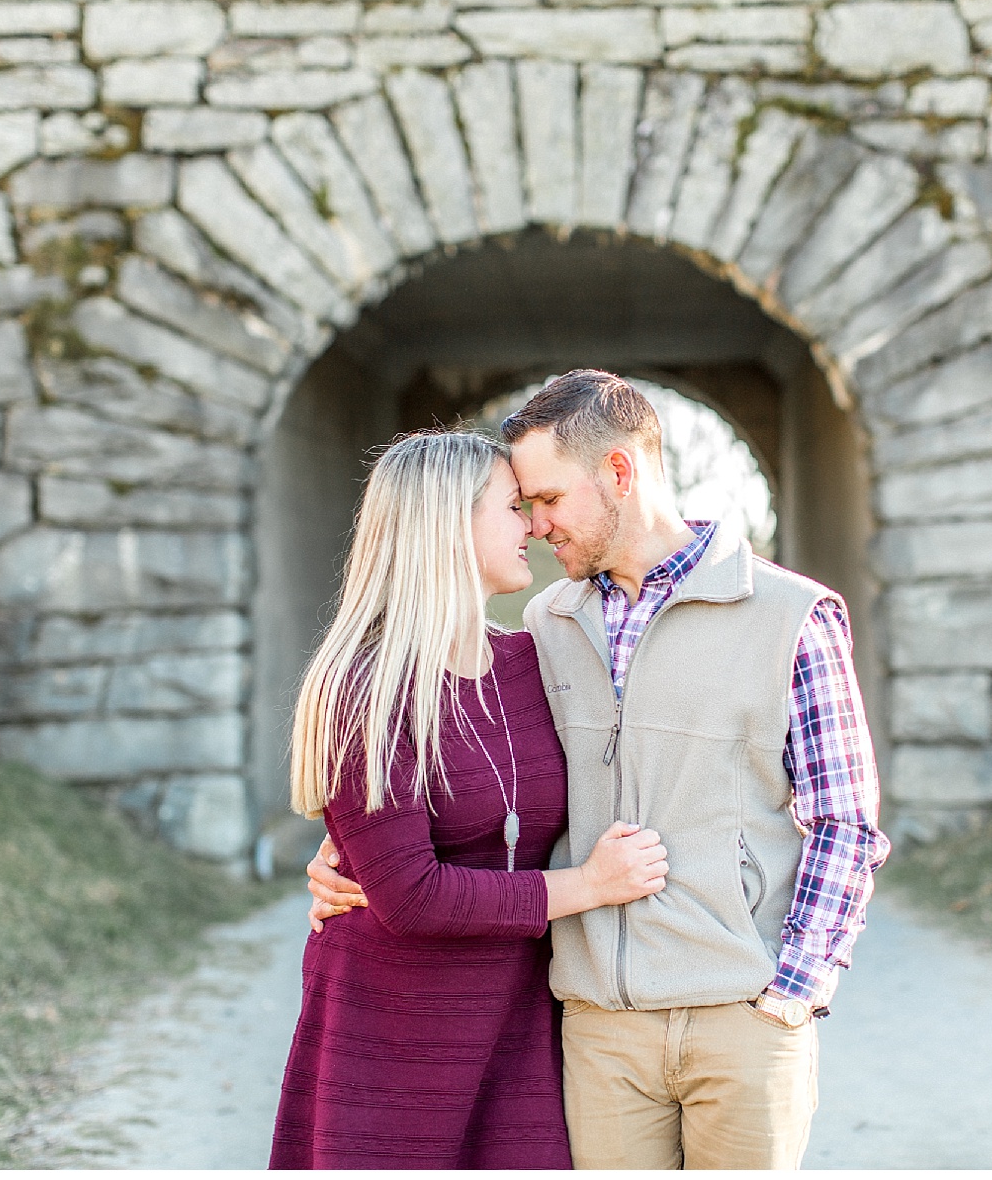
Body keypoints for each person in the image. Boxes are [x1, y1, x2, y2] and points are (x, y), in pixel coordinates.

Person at [309, 371, 891, 1169]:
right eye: (519, 505)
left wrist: (795, 989)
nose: (536, 523)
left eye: (544, 498)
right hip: (593, 1025)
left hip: (740, 1014)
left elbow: (845, 819)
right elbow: (455, 772)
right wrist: (354, 850)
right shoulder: (549, 626)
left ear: (618, 473)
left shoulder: (789, 615)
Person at [268, 430, 669, 1170]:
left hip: (516, 1023)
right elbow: (410, 896)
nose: (534, 525)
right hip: (391, 1030)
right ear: (449, 522)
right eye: (513, 506)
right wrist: (589, 886)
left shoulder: (531, 661)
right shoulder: (361, 687)